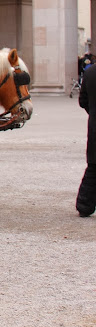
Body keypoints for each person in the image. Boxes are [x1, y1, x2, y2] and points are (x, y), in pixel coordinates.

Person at [77, 62, 96, 217]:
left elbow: (82, 101)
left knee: (93, 168)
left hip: (95, 126)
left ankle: (84, 205)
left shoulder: (90, 73)